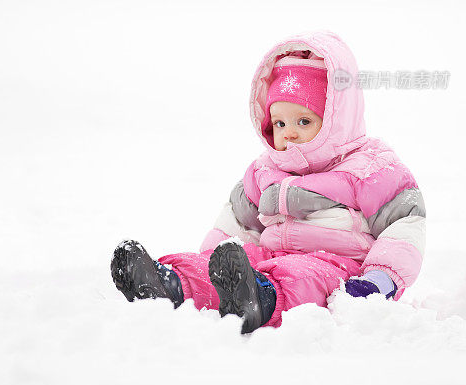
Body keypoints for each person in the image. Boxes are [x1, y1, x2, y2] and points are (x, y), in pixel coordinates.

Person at [111, 30, 426, 334]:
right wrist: (213, 260)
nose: (288, 132)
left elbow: (403, 227)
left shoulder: (370, 166)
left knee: (301, 275)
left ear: (336, 118)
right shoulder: (265, 170)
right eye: (279, 122)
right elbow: (236, 223)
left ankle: (258, 300)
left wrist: (379, 280)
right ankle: (170, 283)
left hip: (341, 269)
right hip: (270, 259)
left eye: (303, 121)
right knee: (243, 259)